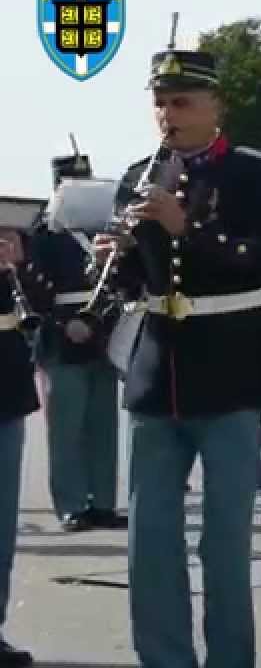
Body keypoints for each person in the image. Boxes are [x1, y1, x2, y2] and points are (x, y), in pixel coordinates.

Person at [91, 45, 261, 667]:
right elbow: (138, 282)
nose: (167, 115)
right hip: (157, 373)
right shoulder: (138, 173)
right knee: (149, 540)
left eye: (181, 102)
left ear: (215, 107)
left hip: (230, 366)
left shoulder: (255, 173)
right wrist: (113, 261)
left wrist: (188, 230)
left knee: (224, 542)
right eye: (159, 102)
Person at [29, 152, 126, 532]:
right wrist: (62, 322)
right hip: (60, 336)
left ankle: (103, 502)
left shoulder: (102, 229)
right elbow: (35, 288)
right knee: (67, 428)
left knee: (103, 424)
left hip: (101, 330)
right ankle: (71, 504)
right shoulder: (45, 231)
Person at [0, 232, 40, 668]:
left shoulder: (14, 234)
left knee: (1, 521)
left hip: (4, 387)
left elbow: (45, 305)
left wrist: (22, 265)